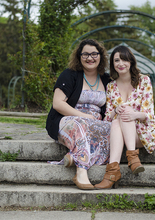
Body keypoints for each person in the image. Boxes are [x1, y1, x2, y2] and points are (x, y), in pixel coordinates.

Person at [46, 39, 111, 190]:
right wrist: (83, 116)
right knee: (79, 124)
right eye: (85, 54)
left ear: (101, 56)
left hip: (95, 124)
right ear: (79, 57)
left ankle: (74, 157)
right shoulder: (69, 75)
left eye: (94, 54)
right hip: (68, 120)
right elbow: (58, 103)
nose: (90, 58)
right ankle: (81, 171)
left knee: (113, 129)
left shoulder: (106, 79)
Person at [94, 45, 155, 189]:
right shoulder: (111, 87)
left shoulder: (144, 81)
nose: (121, 64)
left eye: (124, 59)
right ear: (113, 64)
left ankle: (119, 166)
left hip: (143, 132)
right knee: (118, 117)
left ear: (131, 62)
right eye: (116, 60)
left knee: (126, 111)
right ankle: (127, 162)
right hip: (119, 130)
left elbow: (148, 114)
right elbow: (107, 119)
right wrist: (115, 109)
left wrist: (133, 114)